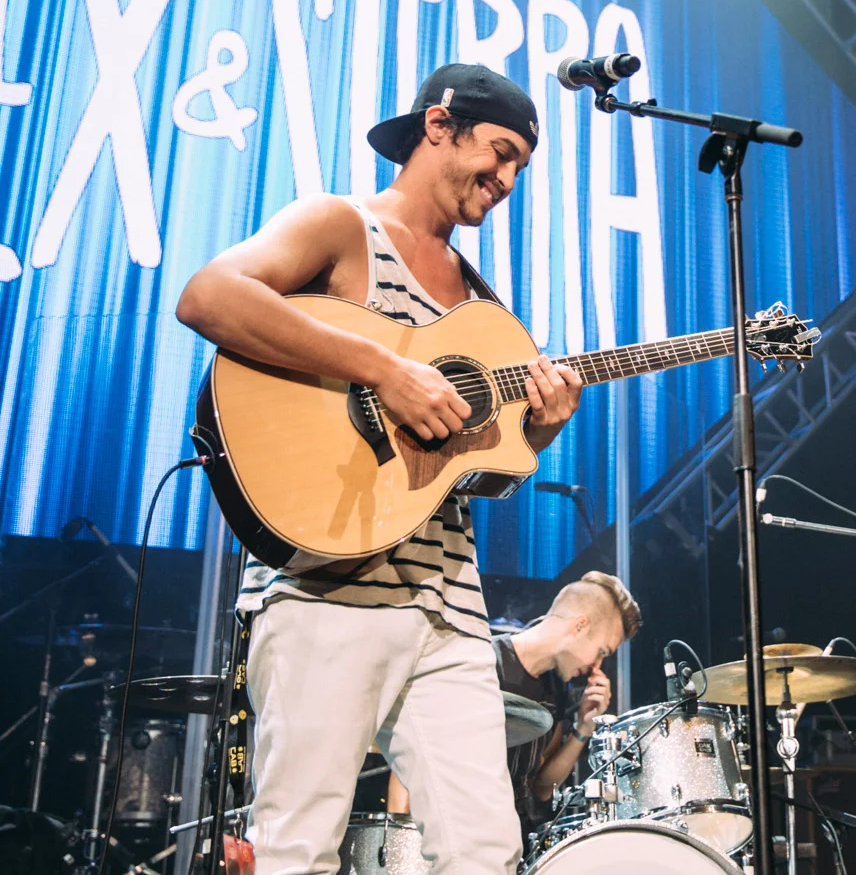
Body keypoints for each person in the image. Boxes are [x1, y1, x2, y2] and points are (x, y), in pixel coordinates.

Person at [175, 63, 583, 874]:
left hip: (449, 606)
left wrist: (537, 434)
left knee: (487, 852)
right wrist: (384, 368)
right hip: (328, 587)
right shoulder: (341, 224)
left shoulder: (485, 306)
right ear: (439, 126)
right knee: (298, 853)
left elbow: (472, 468)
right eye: (497, 153)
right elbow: (210, 295)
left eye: (517, 170)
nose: (504, 181)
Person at [491, 573, 641, 836]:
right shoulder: (485, 662)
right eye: (602, 651)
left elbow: (542, 786)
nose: (597, 667)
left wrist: (584, 726)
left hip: (519, 841)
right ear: (579, 626)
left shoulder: (556, 689)